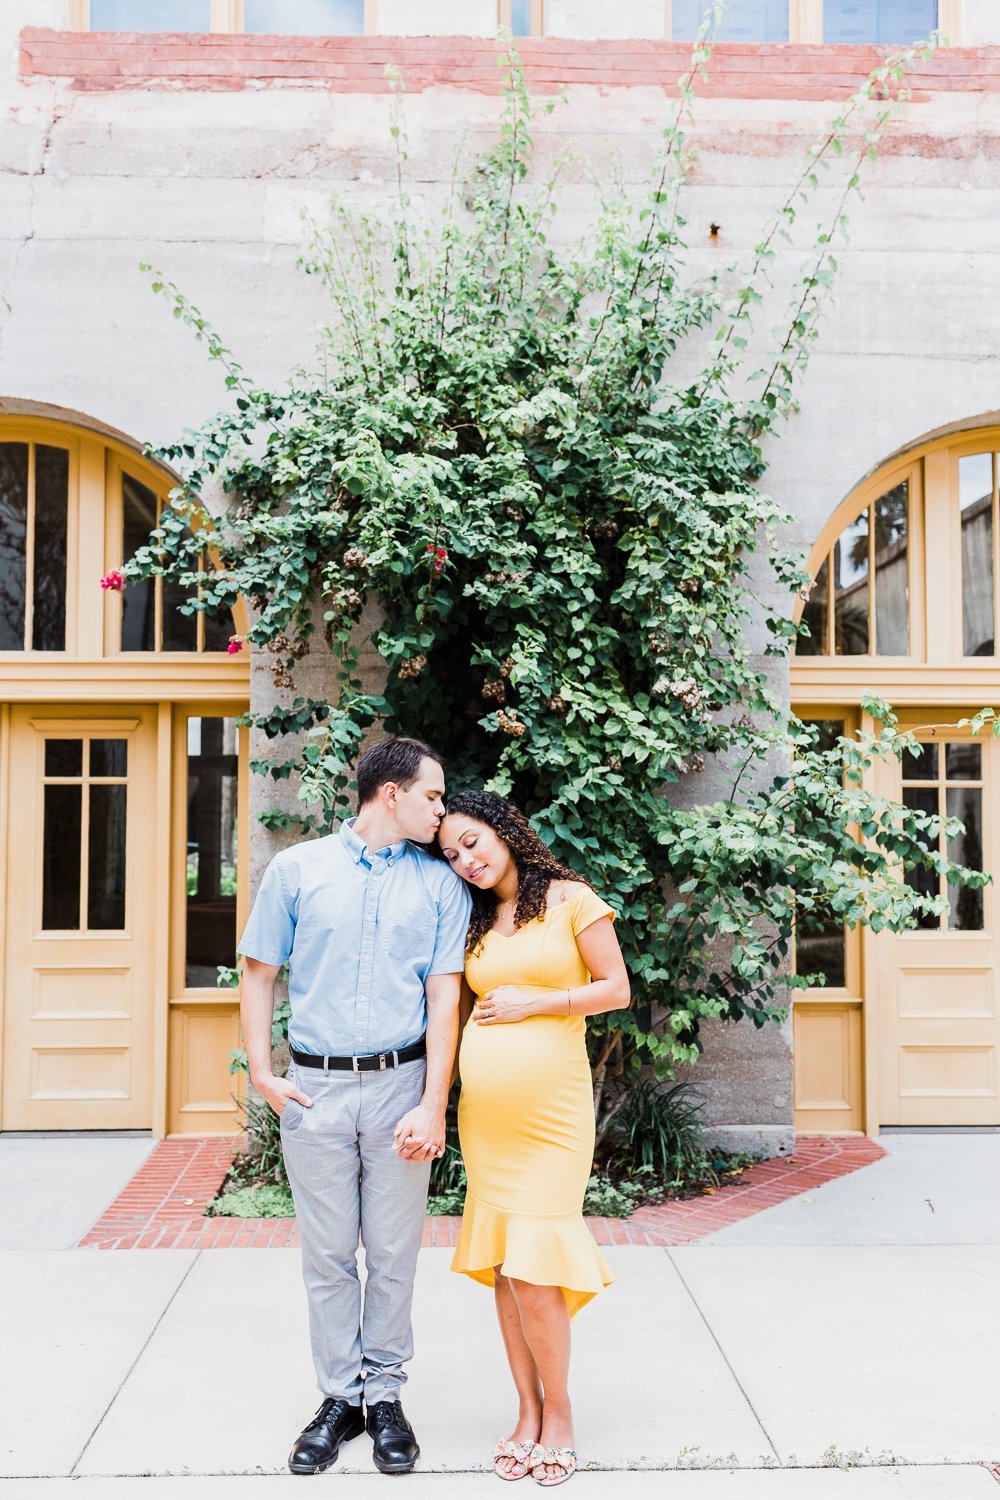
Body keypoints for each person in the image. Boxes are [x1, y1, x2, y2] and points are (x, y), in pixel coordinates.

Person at [238, 737, 472, 1477]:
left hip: (402, 1086)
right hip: (316, 1090)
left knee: (396, 1253)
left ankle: (388, 1398)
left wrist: (435, 1102)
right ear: (392, 795)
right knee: (330, 1256)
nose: (442, 808)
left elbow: (444, 1001)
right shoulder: (297, 869)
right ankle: (340, 1399)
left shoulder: (441, 885)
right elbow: (258, 970)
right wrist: (263, 1073)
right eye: (434, 795)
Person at [437, 790, 630, 1488]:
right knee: (502, 1266)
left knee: (535, 1269)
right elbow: (451, 1015)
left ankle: (563, 1414)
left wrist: (534, 1002)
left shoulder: (573, 898)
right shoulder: (471, 920)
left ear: (503, 829)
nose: (467, 860)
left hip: (552, 1119)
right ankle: (526, 1411)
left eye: (472, 841)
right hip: (487, 1123)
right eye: (452, 853)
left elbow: (615, 989)